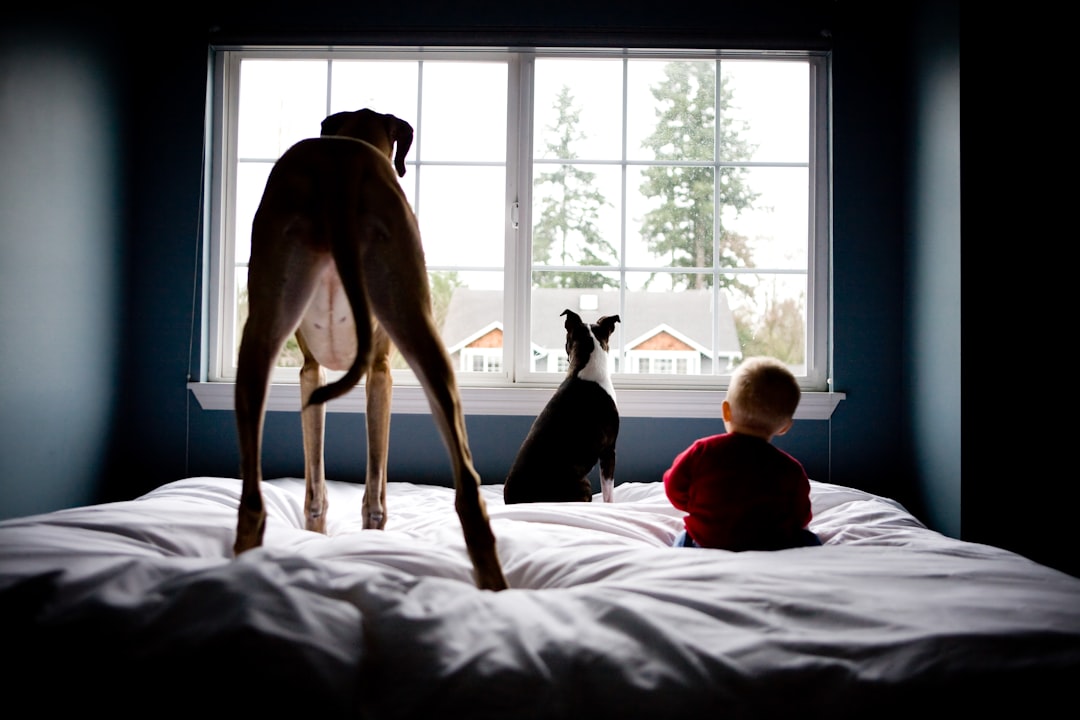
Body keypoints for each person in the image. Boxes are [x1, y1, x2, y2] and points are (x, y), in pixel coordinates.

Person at [663, 356, 820, 551]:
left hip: (708, 540)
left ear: (726, 411)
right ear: (784, 427)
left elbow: (674, 488)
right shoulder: (791, 469)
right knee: (809, 538)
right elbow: (801, 516)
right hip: (771, 544)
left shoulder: (702, 451)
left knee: (684, 538)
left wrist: (699, 507)